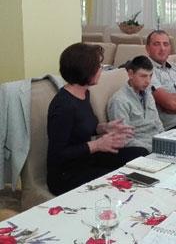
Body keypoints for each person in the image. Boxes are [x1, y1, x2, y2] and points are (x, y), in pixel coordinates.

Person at [47, 43, 148, 195]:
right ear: (85, 70)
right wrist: (97, 144)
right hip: (66, 174)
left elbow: (83, 127)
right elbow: (58, 154)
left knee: (139, 153)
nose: (101, 69)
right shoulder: (63, 106)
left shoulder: (84, 93)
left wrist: (105, 128)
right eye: (98, 66)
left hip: (87, 159)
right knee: (121, 181)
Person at [107, 56, 164, 152]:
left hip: (158, 145)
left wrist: (167, 141)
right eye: (143, 76)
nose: (148, 81)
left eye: (150, 76)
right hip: (140, 150)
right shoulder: (119, 100)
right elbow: (125, 139)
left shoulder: (148, 94)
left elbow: (158, 125)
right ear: (130, 74)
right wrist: (154, 149)